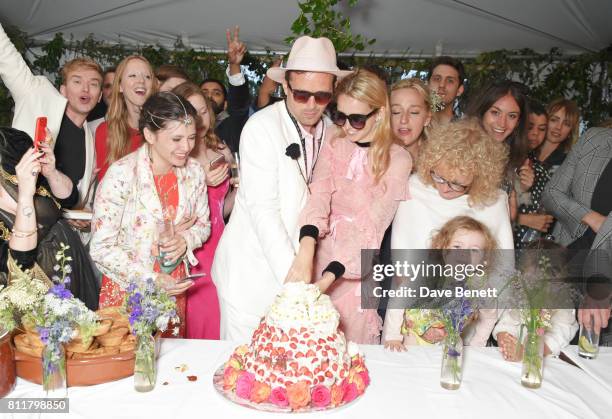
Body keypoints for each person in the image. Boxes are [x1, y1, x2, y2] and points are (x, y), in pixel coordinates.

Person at [211, 36, 350, 342]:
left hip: (301, 279)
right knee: (242, 373)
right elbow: (264, 210)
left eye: (322, 96)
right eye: (302, 95)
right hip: (250, 279)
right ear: (285, 86)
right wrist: (297, 290)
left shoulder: (335, 133)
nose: (313, 105)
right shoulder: (260, 128)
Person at [284, 69, 412, 344]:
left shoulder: (398, 159)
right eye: (340, 116)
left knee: (353, 357)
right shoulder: (332, 139)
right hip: (320, 257)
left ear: (379, 113)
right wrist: (307, 246)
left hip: (357, 269)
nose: (347, 126)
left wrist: (330, 277)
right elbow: (318, 194)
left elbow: (371, 227)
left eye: (356, 119)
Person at [383, 118, 514, 347]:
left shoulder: (494, 203)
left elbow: (503, 271)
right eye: (439, 177)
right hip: (410, 322)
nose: (444, 187)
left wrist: (501, 327)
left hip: (465, 324)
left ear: (479, 176)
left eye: (457, 184)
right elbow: (401, 265)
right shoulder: (414, 188)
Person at [90, 93, 211, 337]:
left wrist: (186, 240)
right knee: (127, 366)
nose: (186, 147)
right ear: (149, 135)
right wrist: (151, 278)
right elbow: (101, 248)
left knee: (171, 364)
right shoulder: (122, 175)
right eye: (176, 139)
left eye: (191, 138)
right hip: (128, 288)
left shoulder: (194, 171)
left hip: (173, 287)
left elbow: (203, 224)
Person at [0, 24, 102, 211]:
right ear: (63, 90)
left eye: (93, 84)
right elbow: (6, 56)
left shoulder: (91, 137)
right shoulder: (36, 95)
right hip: (11, 212)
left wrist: (80, 213)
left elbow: (75, 197)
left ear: (100, 96)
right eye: (77, 81)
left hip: (50, 228)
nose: (85, 89)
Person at [0, 128, 99, 308]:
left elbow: (70, 198)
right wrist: (25, 196)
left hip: (72, 264)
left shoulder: (11, 142)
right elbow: (22, 260)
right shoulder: (19, 184)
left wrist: (51, 172)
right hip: (37, 293)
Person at [172, 81, 238, 339]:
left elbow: (222, 210)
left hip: (222, 243)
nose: (199, 119)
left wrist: (239, 192)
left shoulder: (220, 149)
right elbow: (172, 211)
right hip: (194, 248)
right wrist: (202, 183)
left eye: (203, 111)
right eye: (192, 113)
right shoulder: (176, 156)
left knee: (222, 316)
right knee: (199, 313)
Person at [384, 216, 497, 351]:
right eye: (457, 246)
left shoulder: (480, 287)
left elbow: (490, 316)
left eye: (474, 250)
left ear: (484, 258)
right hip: (411, 342)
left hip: (450, 348)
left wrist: (478, 344)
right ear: (442, 248)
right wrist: (393, 337)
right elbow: (398, 301)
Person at [542, 127, 612, 344]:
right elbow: (551, 193)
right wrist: (590, 217)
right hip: (565, 264)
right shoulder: (595, 139)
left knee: (594, 362)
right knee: (546, 349)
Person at [495, 240, 578, 359]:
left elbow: (558, 336)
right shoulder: (520, 298)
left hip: (546, 362)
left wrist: (528, 353)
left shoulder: (563, 305)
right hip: (513, 357)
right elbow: (506, 323)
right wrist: (506, 342)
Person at [95, 55, 156, 181]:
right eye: (132, 75)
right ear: (120, 86)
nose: (141, 81)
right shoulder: (106, 131)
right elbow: (106, 187)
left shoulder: (163, 129)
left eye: (147, 76)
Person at [200, 26, 251, 154]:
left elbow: (238, 104)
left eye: (216, 93)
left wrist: (234, 64)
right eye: (204, 92)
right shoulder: (185, 125)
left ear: (225, 104)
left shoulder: (231, 124)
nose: (209, 96)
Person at [514, 101, 554, 248]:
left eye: (542, 129)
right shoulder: (501, 159)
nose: (535, 133)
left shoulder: (541, 170)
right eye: (530, 127)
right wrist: (523, 219)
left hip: (528, 252)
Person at [389, 78, 433, 162]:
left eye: (414, 112)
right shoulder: (369, 159)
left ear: (427, 118)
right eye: (396, 112)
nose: (404, 120)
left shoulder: (440, 164)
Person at [535, 98, 580, 176]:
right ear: (544, 120)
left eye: (566, 124)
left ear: (571, 131)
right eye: (554, 120)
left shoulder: (568, 164)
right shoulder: (525, 148)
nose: (558, 127)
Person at [426, 56, 465, 125]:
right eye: (437, 79)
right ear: (427, 85)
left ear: (459, 90)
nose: (442, 85)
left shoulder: (468, 128)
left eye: (450, 81)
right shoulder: (414, 123)